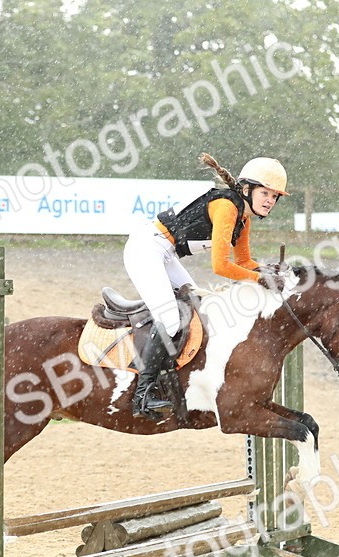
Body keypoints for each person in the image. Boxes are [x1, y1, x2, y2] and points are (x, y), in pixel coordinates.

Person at [122, 152, 288, 418]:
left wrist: (268, 270)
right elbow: (221, 266)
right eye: (266, 194)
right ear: (246, 189)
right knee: (172, 319)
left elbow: (244, 260)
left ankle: (171, 380)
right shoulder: (227, 207)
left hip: (165, 253)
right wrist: (259, 278)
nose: (271, 201)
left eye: (275, 196)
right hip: (146, 249)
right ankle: (142, 395)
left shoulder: (243, 218)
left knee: (197, 309)